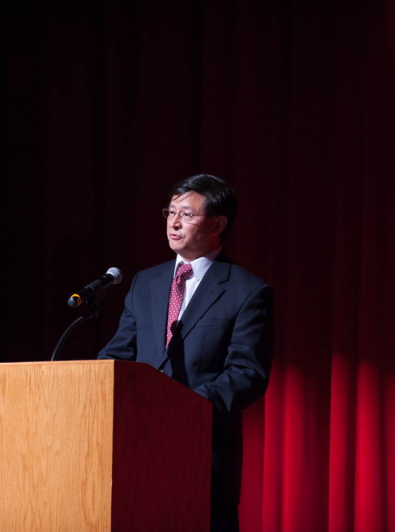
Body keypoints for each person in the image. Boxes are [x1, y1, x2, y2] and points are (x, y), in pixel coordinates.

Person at [98, 174, 274, 531]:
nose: (174, 223)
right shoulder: (145, 282)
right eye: (171, 212)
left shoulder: (247, 291)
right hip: (136, 451)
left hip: (203, 453)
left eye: (187, 214)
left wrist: (184, 407)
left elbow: (247, 373)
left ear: (218, 224)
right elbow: (117, 355)